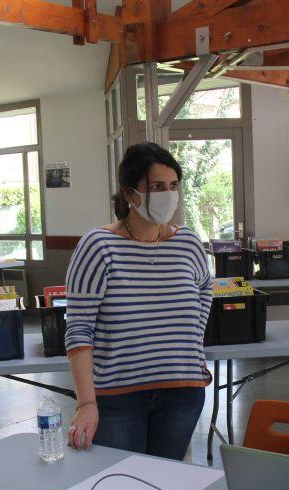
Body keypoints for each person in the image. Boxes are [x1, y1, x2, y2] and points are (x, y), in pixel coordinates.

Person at [64, 142, 212, 460]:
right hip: (118, 399)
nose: (168, 194)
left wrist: (191, 350)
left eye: (173, 186)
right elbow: (78, 330)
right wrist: (86, 403)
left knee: (163, 486)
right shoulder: (98, 246)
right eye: (157, 187)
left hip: (182, 394)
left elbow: (204, 293)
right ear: (131, 194)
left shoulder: (188, 243)